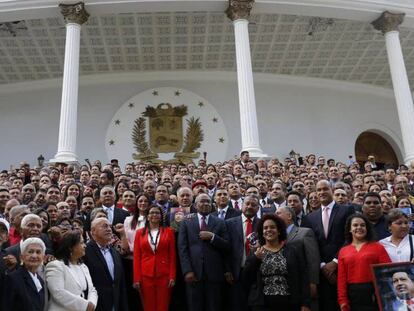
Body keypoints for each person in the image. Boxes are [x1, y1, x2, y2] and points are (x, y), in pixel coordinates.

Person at [302, 180, 354, 311]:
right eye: (318, 190)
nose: (321, 192)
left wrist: (335, 262)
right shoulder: (309, 218)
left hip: (344, 266)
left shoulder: (347, 210)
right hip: (322, 272)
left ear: (331, 190)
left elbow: (350, 237)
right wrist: (323, 265)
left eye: (325, 189)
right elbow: (310, 246)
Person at [243, 214, 311, 311]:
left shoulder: (292, 250)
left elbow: (303, 276)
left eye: (272, 227)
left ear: (279, 231)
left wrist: (305, 303)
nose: (268, 230)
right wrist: (255, 259)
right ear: (262, 232)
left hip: (289, 302)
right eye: (265, 228)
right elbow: (246, 278)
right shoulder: (256, 252)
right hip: (261, 304)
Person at [178, 193, 230, 311]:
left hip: (214, 273)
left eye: (208, 201)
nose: (205, 204)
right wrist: (187, 270)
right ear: (195, 205)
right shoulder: (186, 221)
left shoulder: (220, 222)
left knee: (214, 306)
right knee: (194, 306)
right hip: (194, 273)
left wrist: (213, 237)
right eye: (202, 201)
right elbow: (182, 248)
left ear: (212, 205)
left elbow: (227, 246)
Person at [337, 214, 391, 311]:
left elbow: (387, 272)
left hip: (374, 295)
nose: (359, 228)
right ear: (350, 229)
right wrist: (342, 301)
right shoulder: (343, 251)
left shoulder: (378, 247)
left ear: (367, 228)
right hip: (353, 296)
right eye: (355, 225)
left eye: (362, 225)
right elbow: (341, 279)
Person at [276, 205, 320, 310]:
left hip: (303, 284)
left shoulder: (305, 232)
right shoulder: (276, 237)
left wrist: (313, 282)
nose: (275, 216)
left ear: (289, 216)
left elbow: (313, 259)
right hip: (284, 287)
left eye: (278, 213)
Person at [133, 205, 176, 311]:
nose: (154, 215)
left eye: (157, 213)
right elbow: (137, 257)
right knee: (148, 305)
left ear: (161, 217)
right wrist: (137, 278)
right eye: (151, 213)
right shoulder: (139, 233)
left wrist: (172, 276)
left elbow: (172, 256)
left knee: (163, 305)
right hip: (145, 275)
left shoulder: (169, 232)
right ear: (147, 216)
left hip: (164, 274)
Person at [46, 230, 98, 311]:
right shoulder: (55, 265)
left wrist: (92, 304)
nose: (85, 246)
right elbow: (58, 292)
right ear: (70, 247)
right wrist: (85, 305)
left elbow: (92, 290)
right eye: (81, 243)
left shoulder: (83, 267)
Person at [84, 217, 128, 311]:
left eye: (110, 226)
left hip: (115, 304)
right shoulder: (85, 251)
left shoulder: (114, 251)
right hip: (96, 304)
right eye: (104, 226)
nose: (109, 229)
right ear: (93, 231)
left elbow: (120, 282)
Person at [225, 195, 260, 311]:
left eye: (253, 205)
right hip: (236, 273)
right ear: (241, 205)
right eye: (247, 204)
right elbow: (225, 249)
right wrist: (227, 270)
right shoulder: (229, 223)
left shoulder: (263, 225)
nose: (250, 207)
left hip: (257, 274)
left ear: (258, 208)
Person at [2, 237, 46, 311]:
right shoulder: (12, 278)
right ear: (21, 257)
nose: (34, 256)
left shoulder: (40, 281)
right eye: (30, 252)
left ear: (43, 257)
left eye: (38, 252)